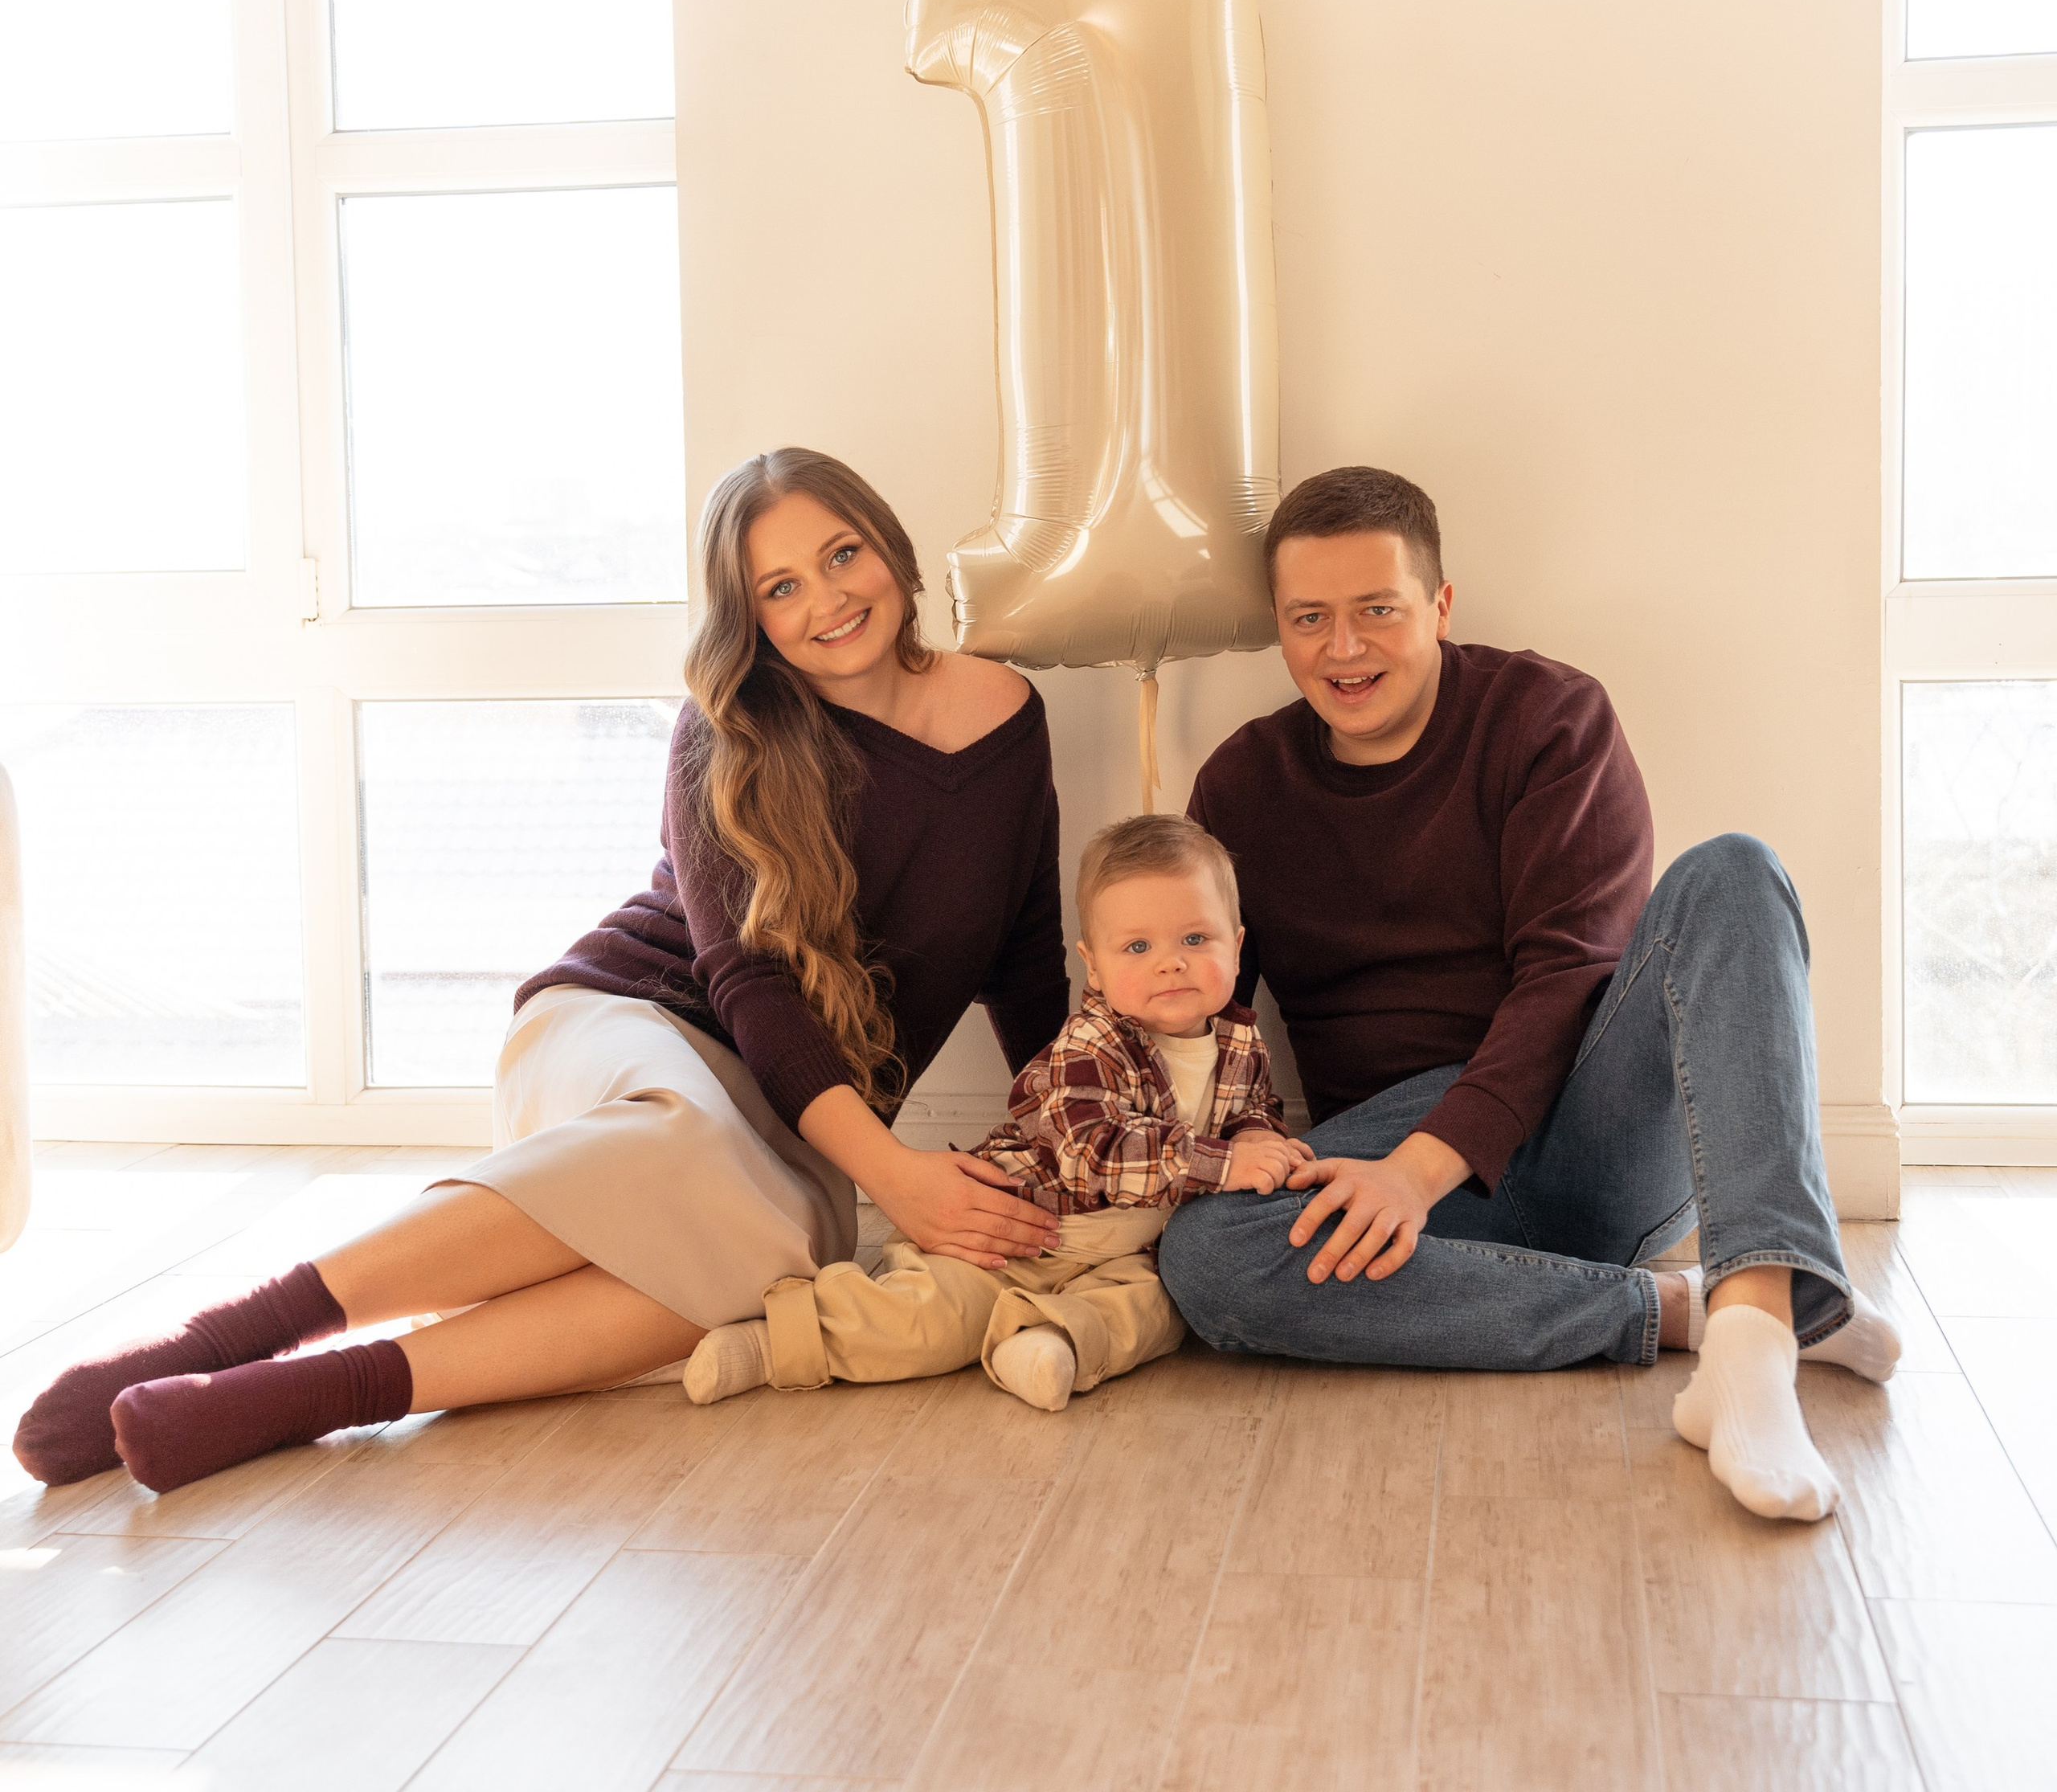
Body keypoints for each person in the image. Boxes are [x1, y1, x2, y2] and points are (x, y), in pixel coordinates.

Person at [14, 448, 1071, 1494]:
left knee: (779, 1259)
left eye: (842, 555)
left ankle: (298, 1397)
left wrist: (1074, 1137)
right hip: (630, 1022)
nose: (829, 599)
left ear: (888, 544)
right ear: (748, 618)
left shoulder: (1008, 719)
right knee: (691, 1144)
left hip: (793, 1121)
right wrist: (892, 1175)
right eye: (780, 587)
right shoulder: (726, 728)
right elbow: (747, 985)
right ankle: (230, 1335)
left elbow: (1024, 960)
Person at [1157, 466, 1901, 1524]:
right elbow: (1207, 1012)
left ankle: (1755, 1338)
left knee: (1735, 871)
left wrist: (1415, 1173)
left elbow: (1566, 977)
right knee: (1204, 1259)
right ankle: (1680, 1313)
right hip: (1407, 1166)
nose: (1343, 648)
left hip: (1587, 1120)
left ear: (1440, 605)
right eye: (1309, 618)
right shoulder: (1244, 784)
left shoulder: (1549, 718)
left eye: (1378, 609)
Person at [685, 813, 1304, 1414]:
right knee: (928, 1322)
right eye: (1138, 946)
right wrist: (1225, 1163)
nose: (1170, 962)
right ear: (1095, 963)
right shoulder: (1091, 1046)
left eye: (1195, 939)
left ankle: (1048, 1342)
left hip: (1126, 1255)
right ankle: (778, 1342)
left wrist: (1258, 1137)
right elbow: (1092, 1151)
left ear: (1236, 946)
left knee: (1158, 1312)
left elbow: (1253, 1110)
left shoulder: (1241, 1044)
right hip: (1014, 1235)